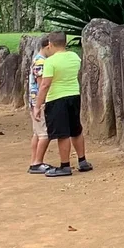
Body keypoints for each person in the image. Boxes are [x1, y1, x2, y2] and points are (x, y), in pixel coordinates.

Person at [30, 32, 90, 179]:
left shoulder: (50, 61)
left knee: (62, 133)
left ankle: (65, 165)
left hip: (56, 98)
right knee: (76, 129)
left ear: (50, 44)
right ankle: (82, 161)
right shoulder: (75, 57)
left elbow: (45, 85)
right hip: (74, 95)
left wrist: (38, 105)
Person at [25, 40, 51, 174]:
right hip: (39, 102)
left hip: (34, 101)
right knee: (44, 134)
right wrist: (41, 103)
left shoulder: (38, 59)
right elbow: (42, 85)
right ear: (48, 46)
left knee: (37, 133)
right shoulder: (41, 62)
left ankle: (34, 161)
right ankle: (37, 163)